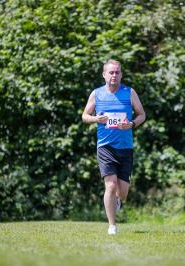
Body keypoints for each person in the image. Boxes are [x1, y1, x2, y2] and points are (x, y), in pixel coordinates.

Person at [82, 59, 146, 235]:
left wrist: (132, 124)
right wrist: (96, 119)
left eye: (117, 72)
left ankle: (117, 200)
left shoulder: (129, 92)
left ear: (121, 75)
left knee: (123, 193)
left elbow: (142, 115)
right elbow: (84, 116)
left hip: (125, 147)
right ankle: (112, 225)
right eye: (111, 72)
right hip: (105, 147)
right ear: (104, 75)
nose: (114, 75)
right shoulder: (97, 94)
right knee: (110, 185)